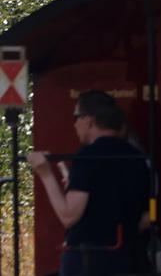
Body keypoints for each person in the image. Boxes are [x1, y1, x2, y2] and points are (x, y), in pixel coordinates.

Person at [28, 90, 149, 276]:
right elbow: (146, 217)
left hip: (87, 259)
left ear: (89, 120)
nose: (75, 124)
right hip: (125, 258)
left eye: (76, 117)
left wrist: (45, 173)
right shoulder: (138, 158)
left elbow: (68, 216)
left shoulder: (88, 156)